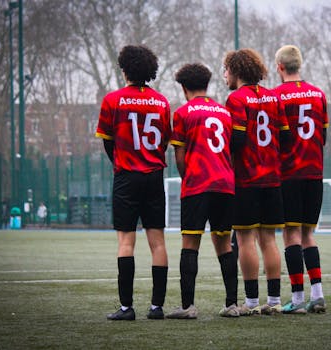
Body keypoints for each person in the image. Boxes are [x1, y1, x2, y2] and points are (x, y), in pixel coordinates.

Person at [95, 45, 171, 321]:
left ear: (125, 69)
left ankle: (126, 308)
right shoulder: (162, 102)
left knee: (126, 242)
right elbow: (164, 141)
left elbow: (107, 140)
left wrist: (120, 160)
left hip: (126, 176)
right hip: (153, 176)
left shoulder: (112, 100)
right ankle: (157, 307)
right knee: (158, 242)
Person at [166, 63, 239, 319]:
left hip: (198, 185)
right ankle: (232, 304)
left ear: (185, 88)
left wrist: (190, 178)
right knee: (224, 244)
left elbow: (180, 157)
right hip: (225, 185)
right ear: (207, 85)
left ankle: (188, 307)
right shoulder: (224, 113)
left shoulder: (183, 113)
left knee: (190, 243)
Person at [223, 48, 289, 316]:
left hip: (246, 179)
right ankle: (274, 301)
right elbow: (284, 138)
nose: (225, 75)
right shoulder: (274, 97)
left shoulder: (236, 99)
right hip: (272, 178)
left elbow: (237, 140)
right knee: (269, 240)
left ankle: (250, 303)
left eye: (226, 69)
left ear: (237, 71)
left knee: (245, 239)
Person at [273, 45, 328, 313]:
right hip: (314, 172)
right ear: (299, 65)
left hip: (289, 173)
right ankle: (318, 294)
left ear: (280, 67)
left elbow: (275, 138)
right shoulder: (318, 95)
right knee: (308, 233)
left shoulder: (276, 97)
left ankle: (296, 299)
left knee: (291, 233)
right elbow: (323, 137)